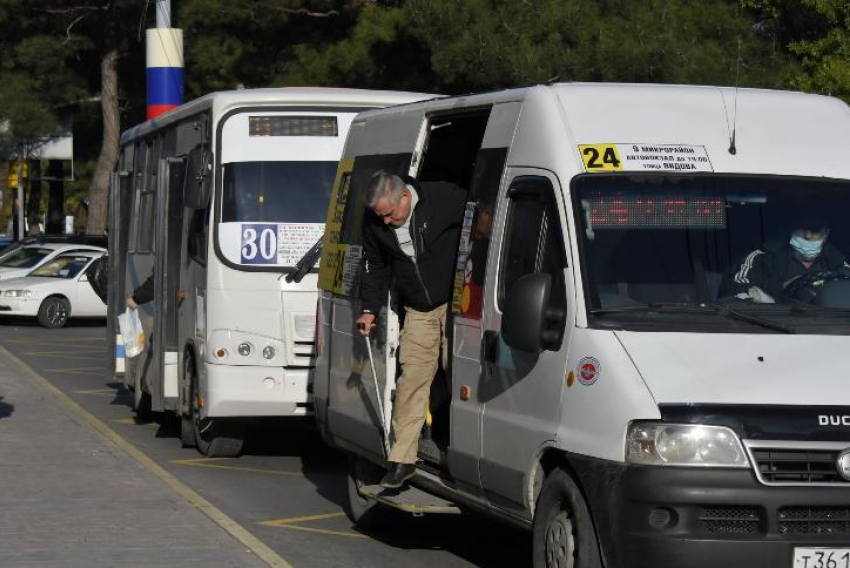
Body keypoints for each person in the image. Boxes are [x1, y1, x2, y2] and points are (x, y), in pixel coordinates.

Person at [356, 171, 466, 489]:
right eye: (381, 216)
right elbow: (374, 266)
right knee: (411, 382)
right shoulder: (375, 222)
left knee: (458, 377)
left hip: (456, 305)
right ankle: (402, 460)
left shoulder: (443, 197)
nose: (386, 222)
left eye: (389, 214)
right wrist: (368, 310)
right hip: (418, 310)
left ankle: (462, 453)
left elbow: (485, 220)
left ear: (404, 197)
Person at [722, 218, 850, 304]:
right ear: (792, 229)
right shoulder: (762, 258)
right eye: (803, 228)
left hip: (827, 330)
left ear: (826, 234)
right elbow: (734, 289)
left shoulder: (839, 265)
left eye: (815, 230)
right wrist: (780, 289)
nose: (808, 235)